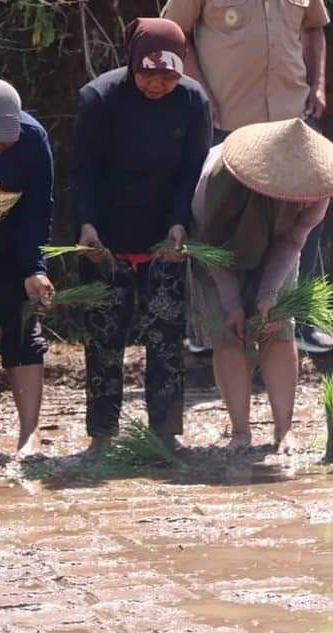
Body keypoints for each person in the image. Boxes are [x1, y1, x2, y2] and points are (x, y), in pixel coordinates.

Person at [161, 0, 333, 355]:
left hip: (290, 124)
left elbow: (314, 27)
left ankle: (298, 319)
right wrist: (200, 92)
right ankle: (206, 326)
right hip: (228, 123)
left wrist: (317, 84)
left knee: (301, 223)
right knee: (213, 222)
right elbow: (173, 32)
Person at [71, 18, 212, 453]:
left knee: (166, 337)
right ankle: (102, 435)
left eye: (168, 76)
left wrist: (179, 224)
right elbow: (83, 171)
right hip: (105, 238)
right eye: (147, 74)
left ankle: (165, 434)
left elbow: (192, 171)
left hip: (163, 241)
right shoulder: (99, 98)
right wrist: (87, 224)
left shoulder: (192, 100)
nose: (156, 84)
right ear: (131, 63)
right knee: (103, 340)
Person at [190, 118, 333, 454]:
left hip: (275, 249)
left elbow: (293, 240)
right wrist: (233, 303)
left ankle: (284, 430)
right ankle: (240, 432)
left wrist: (269, 295)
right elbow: (208, 245)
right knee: (228, 335)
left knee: (279, 331)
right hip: (215, 251)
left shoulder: (317, 188)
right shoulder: (216, 180)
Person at [0, 76, 55, 458]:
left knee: (23, 331)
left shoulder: (31, 139)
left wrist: (35, 267)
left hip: (10, 245)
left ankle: (28, 434)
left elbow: (37, 210)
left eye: (4, 141)